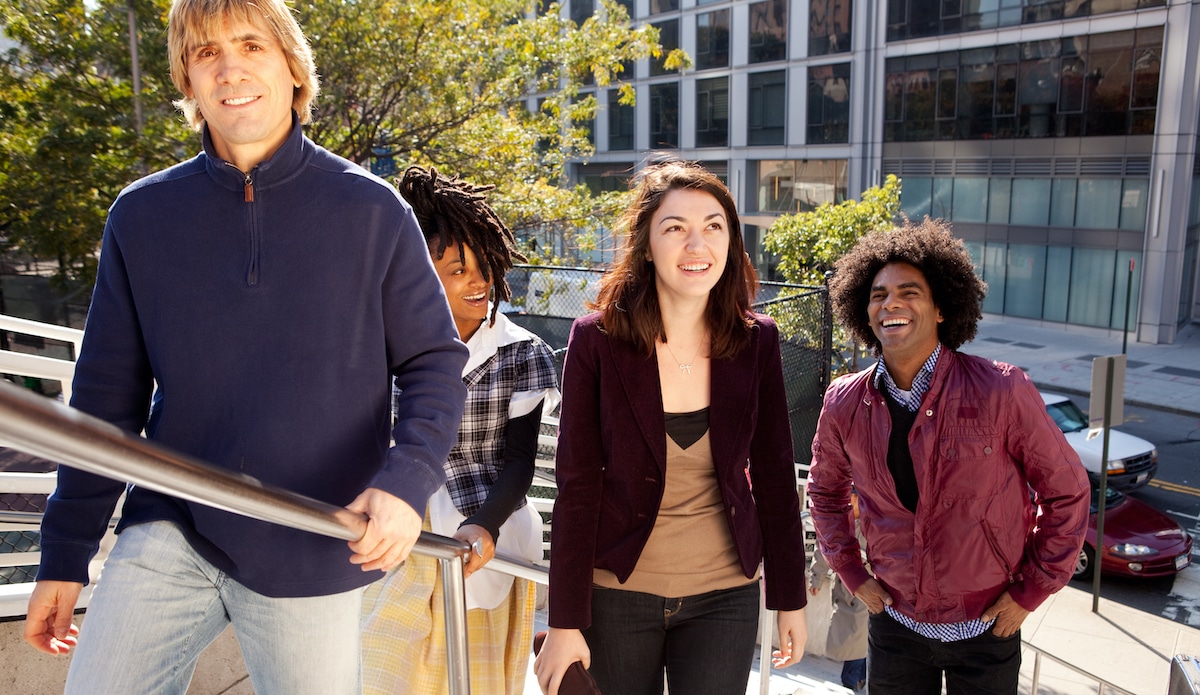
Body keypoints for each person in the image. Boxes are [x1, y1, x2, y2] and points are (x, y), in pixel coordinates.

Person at [22, 1, 468, 693]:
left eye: (251, 46)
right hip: (172, 522)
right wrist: (66, 550)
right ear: (188, 82)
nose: (229, 67)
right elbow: (105, 399)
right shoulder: (141, 217)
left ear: (292, 68)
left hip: (316, 532)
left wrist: (406, 484)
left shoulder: (374, 211)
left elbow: (433, 363)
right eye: (205, 53)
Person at [533, 160, 808, 695]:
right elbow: (577, 485)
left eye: (713, 226)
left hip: (725, 594)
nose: (696, 244)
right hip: (617, 592)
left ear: (731, 241)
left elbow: (776, 475)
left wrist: (789, 597)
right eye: (675, 228)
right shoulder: (597, 341)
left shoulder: (758, 342)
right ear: (647, 244)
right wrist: (564, 621)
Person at [806, 218, 1090, 695]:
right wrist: (853, 573)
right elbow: (824, 492)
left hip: (988, 627)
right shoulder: (843, 401)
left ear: (941, 308)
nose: (890, 303)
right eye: (878, 294)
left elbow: (1067, 492)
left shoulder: (1002, 389)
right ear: (864, 310)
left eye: (909, 292)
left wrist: (1030, 592)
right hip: (895, 626)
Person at [361, 166, 559, 695]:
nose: (478, 281)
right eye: (456, 269)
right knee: (381, 673)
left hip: (485, 530)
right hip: (398, 523)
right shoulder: (379, 340)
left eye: (483, 265)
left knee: (476, 681)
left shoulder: (521, 352)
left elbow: (519, 463)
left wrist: (486, 524)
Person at [806, 491, 867, 692]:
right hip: (847, 588)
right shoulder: (840, 522)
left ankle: (855, 680)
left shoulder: (873, 521)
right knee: (853, 634)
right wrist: (817, 578)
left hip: (873, 587)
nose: (848, 500)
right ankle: (852, 681)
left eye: (851, 496)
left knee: (862, 634)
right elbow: (825, 548)